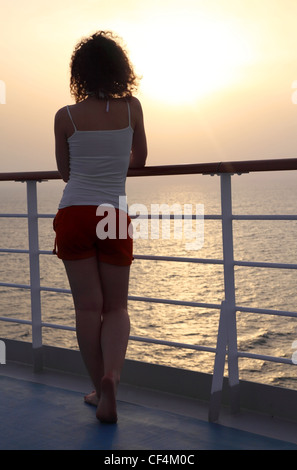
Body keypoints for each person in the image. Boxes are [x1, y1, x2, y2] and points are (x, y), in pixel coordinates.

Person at [53, 31, 147, 423]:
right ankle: (113, 376)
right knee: (117, 307)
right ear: (119, 69)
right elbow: (139, 161)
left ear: (80, 74)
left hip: (75, 213)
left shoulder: (66, 116)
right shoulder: (132, 109)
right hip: (113, 214)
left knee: (88, 308)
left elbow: (64, 173)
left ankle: (97, 387)